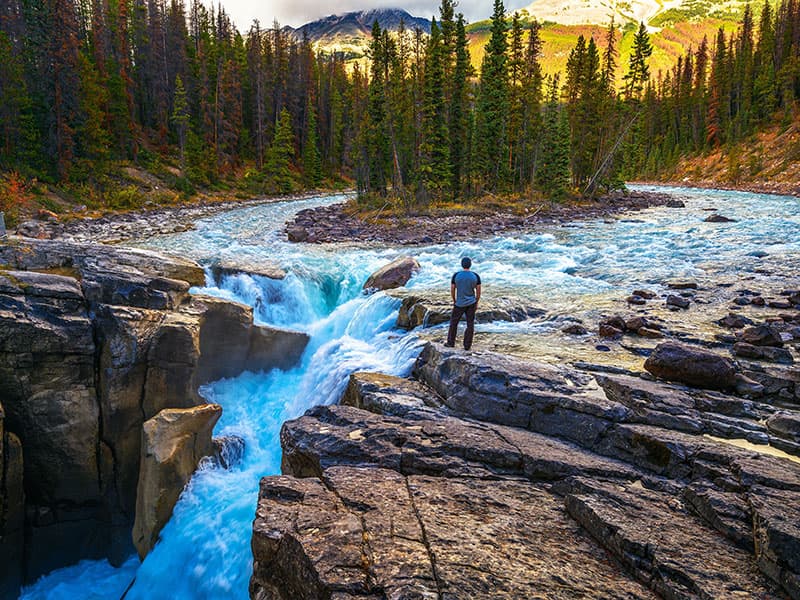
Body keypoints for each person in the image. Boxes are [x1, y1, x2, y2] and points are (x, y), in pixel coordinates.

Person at [445, 256, 481, 350]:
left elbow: (452, 289)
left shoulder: (456, 275)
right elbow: (478, 292)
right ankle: (467, 345)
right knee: (470, 324)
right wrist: (476, 302)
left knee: (453, 323)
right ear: (470, 265)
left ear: (462, 265)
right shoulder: (475, 276)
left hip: (459, 303)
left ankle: (450, 342)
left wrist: (454, 300)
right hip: (471, 303)